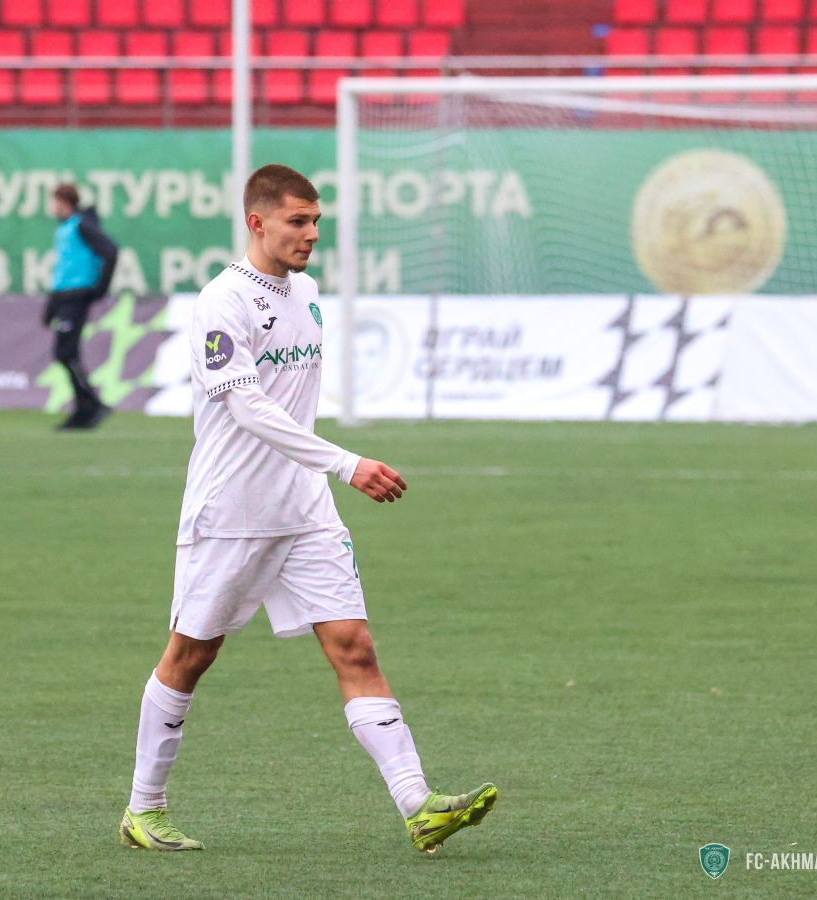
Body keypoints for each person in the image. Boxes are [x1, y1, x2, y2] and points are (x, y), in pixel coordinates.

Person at [119, 165, 497, 854]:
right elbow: (246, 406)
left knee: (354, 645)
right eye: (297, 221)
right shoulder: (222, 301)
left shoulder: (309, 294)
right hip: (232, 511)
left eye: (316, 221)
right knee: (191, 655)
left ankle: (419, 805)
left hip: (306, 510)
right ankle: (144, 809)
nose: (312, 234)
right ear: (257, 222)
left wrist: (324, 475)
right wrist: (346, 464)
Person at [42, 183, 118, 431]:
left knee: (65, 352)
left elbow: (111, 250)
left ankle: (90, 405)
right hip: (65, 297)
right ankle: (84, 407)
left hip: (76, 296)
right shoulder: (65, 228)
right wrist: (52, 306)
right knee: (66, 352)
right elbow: (63, 270)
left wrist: (100, 288)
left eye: (55, 201)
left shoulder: (81, 225)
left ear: (64, 202)